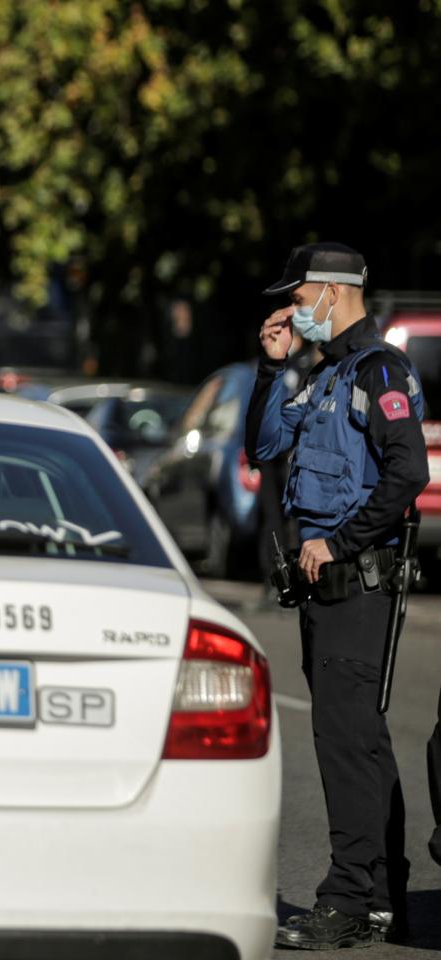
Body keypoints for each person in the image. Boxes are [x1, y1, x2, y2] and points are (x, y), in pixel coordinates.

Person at [248, 243, 428, 949]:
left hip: (358, 584)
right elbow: (265, 447)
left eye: (298, 298)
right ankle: (381, 895)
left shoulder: (381, 371)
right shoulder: (326, 374)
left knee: (345, 744)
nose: (293, 311)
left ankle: (347, 899)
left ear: (332, 290)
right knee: (363, 744)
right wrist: (272, 368)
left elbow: (408, 472)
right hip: (326, 590)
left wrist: (342, 543)